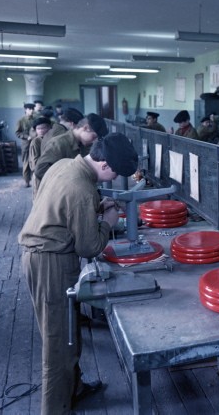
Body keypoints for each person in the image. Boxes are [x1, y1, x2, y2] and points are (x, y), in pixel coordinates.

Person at [19, 132, 139, 414]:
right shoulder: (81, 188)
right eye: (116, 174)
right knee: (58, 345)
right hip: (50, 263)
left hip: (42, 255)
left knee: (67, 332)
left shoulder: (65, 165)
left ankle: (74, 388)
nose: (114, 180)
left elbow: (62, 206)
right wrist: (108, 222)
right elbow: (89, 247)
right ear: (106, 165)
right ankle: (55, 409)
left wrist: (95, 208)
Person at [34, 113, 107, 188]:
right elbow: (40, 171)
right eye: (94, 137)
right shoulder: (58, 144)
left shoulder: (83, 144)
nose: (94, 141)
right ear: (85, 128)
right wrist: (65, 183)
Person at [28, 116, 52, 199]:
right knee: (39, 197)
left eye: (44, 128)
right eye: (38, 129)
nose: (41, 131)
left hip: (50, 172)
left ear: (49, 127)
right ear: (35, 130)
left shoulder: (52, 139)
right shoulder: (36, 142)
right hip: (40, 173)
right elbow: (34, 162)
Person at [15, 102, 36, 187]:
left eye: (32, 109)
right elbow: (17, 133)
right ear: (25, 110)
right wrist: (26, 137)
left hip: (35, 143)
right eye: (29, 109)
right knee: (26, 163)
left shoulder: (35, 119)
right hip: (26, 144)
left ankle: (35, 180)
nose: (31, 111)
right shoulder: (21, 121)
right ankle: (27, 181)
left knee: (35, 161)